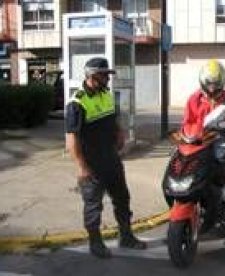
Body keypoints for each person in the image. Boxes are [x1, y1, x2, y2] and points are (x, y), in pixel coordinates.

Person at [65, 57, 146, 258]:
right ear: (93, 76)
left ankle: (126, 237)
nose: (108, 79)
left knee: (122, 199)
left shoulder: (107, 95)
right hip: (92, 165)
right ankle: (95, 243)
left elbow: (113, 119)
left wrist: (119, 133)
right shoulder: (77, 102)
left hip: (111, 160)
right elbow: (71, 141)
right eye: (104, 75)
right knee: (94, 206)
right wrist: (82, 168)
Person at [181, 59, 225, 211]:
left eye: (215, 83)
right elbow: (186, 122)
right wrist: (191, 132)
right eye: (209, 83)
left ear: (222, 81)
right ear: (202, 80)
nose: (212, 88)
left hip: (218, 140)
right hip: (196, 141)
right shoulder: (194, 98)